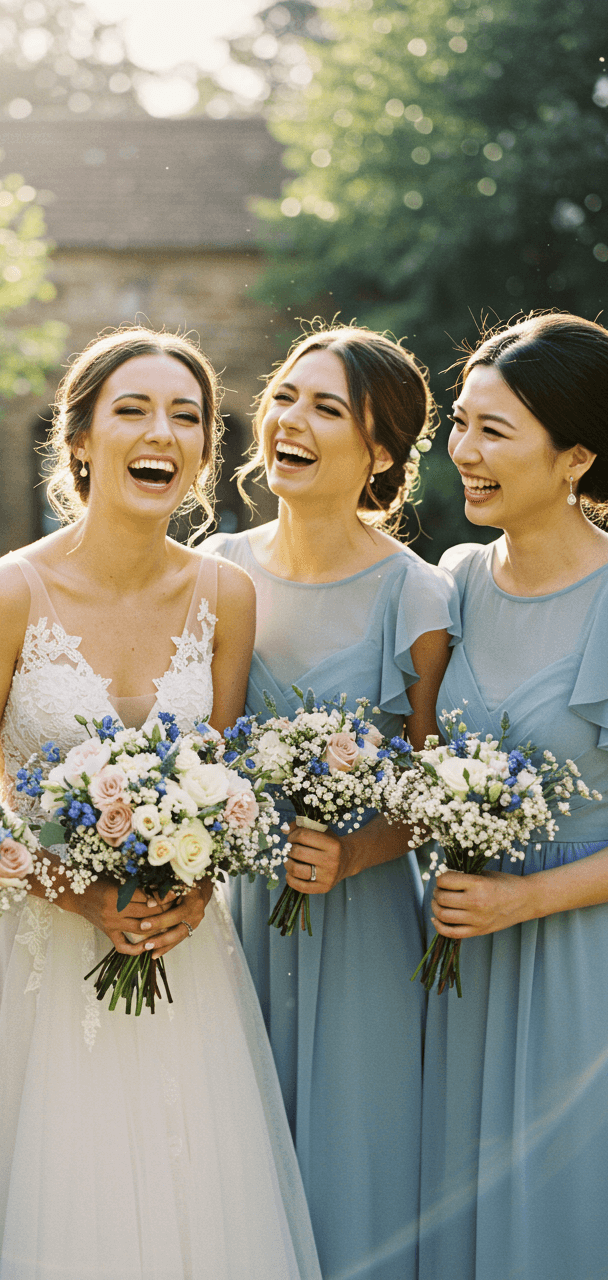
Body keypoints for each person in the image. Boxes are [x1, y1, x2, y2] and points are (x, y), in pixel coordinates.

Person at [0, 327, 321, 1280]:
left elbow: (224, 787)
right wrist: (74, 894)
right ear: (78, 443)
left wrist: (195, 887)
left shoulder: (228, 595)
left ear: (203, 451)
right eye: (134, 410)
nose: (164, 432)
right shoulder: (3, 594)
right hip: (44, 962)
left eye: (187, 416)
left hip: (188, 963)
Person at [204, 324, 459, 1280]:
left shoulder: (419, 596)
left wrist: (354, 851)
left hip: (364, 929)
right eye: (283, 397)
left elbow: (434, 788)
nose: (289, 422)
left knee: (360, 1180)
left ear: (380, 451)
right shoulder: (215, 566)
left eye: (325, 407)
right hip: (231, 921)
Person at [419, 313, 608, 1279]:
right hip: (462, 956)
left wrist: (523, 898)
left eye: (495, 431)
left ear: (575, 456)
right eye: (460, 423)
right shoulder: (454, 583)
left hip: (580, 960)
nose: (464, 452)